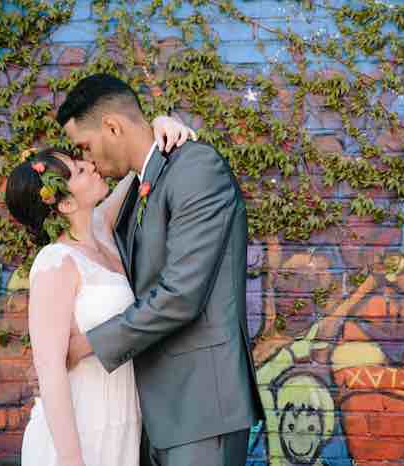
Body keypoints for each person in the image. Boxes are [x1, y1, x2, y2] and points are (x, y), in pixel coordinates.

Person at [57, 73, 264, 466]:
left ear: (112, 126)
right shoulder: (140, 185)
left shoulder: (196, 169)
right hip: (152, 412)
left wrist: (87, 344)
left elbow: (181, 295)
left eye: (84, 146)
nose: (86, 160)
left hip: (201, 408)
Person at [5, 116, 196, 466]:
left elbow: (138, 165)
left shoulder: (102, 230)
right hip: (80, 435)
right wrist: (71, 460)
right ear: (63, 204)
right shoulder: (55, 263)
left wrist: (159, 123)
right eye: (79, 171)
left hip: (120, 427)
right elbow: (49, 372)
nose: (91, 166)